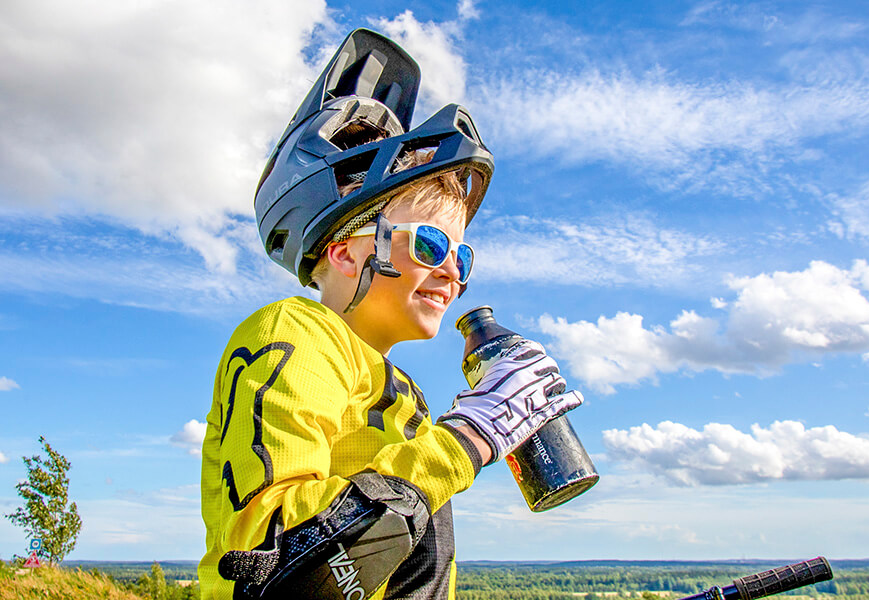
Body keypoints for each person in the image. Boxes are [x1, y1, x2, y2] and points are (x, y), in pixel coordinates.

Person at [199, 29, 583, 600]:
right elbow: (276, 569)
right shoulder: (296, 333)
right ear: (346, 250)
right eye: (430, 244)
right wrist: (470, 438)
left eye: (461, 254)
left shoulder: (400, 389)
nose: (453, 272)